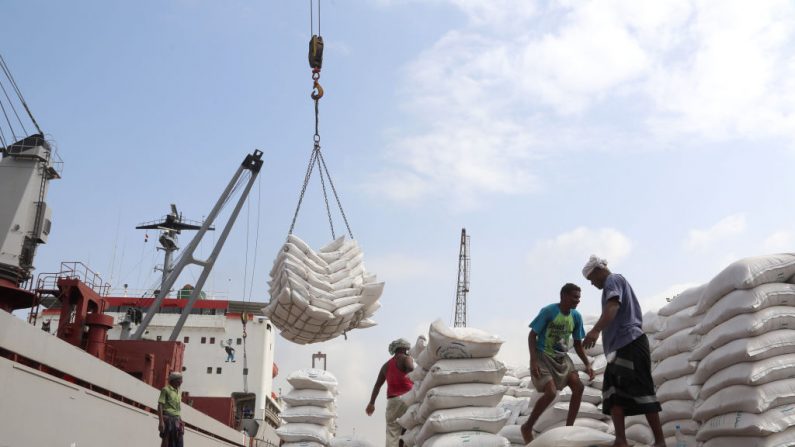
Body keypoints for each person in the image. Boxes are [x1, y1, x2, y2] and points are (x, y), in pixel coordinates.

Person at [582, 255, 664, 447]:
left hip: (631, 344)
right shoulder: (612, 283)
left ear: (597, 271)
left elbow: (613, 306)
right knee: (613, 394)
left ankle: (660, 442)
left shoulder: (613, 279)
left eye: (591, 279)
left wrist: (595, 330)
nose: (592, 284)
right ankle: (621, 440)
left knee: (643, 390)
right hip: (619, 349)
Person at [521, 283, 594, 443]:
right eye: (575, 297)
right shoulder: (549, 311)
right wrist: (533, 361)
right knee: (551, 392)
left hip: (562, 358)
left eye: (579, 297)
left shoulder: (576, 317)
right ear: (564, 296)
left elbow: (577, 343)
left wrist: (587, 364)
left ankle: (568, 429)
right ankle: (527, 427)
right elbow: (532, 335)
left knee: (578, 387)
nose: (578, 300)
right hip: (543, 357)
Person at [365, 338, 415, 447]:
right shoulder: (407, 358)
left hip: (394, 401)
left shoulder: (386, 366)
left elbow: (377, 385)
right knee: (408, 430)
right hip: (409, 398)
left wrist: (371, 403)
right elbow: (411, 368)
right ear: (404, 348)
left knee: (393, 432)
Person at [158, 372, 184, 447]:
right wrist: (161, 421)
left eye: (181, 380)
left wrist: (180, 419)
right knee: (166, 440)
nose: (181, 382)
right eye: (179, 380)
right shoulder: (165, 390)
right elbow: (160, 405)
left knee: (178, 442)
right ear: (173, 380)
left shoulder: (179, 392)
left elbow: (177, 408)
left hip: (177, 419)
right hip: (168, 418)